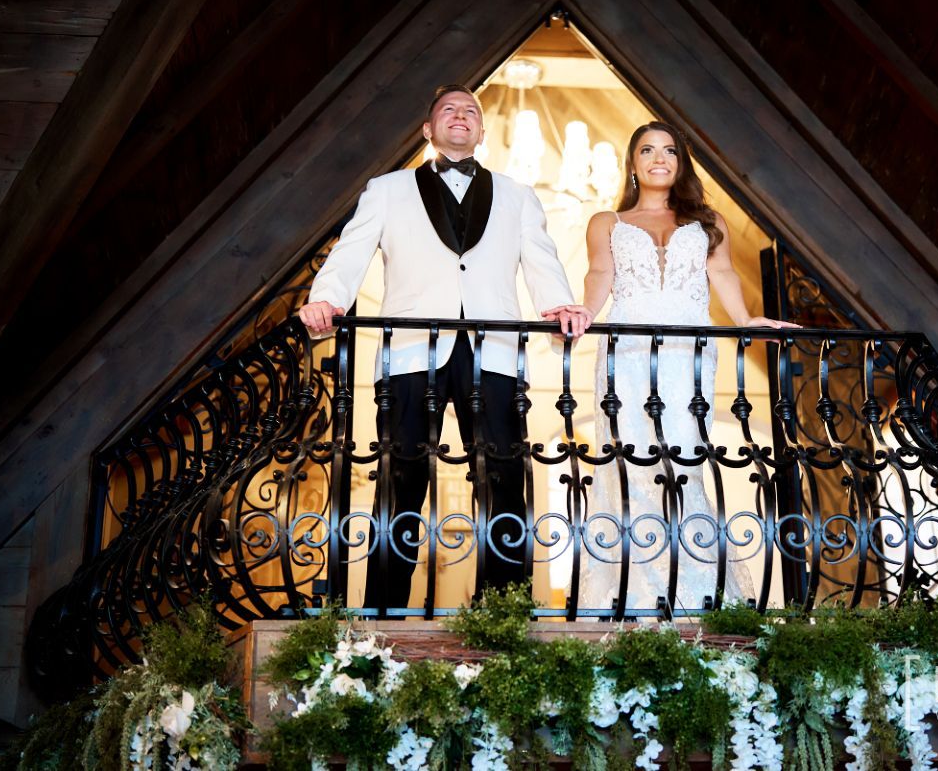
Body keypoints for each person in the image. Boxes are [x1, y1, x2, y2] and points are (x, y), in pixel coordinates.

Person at [298, 84, 591, 610]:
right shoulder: (386, 189)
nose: (463, 116)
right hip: (412, 350)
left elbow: (541, 259)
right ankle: (382, 611)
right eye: (449, 110)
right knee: (400, 480)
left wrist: (560, 305)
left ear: (482, 131)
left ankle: (502, 608)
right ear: (429, 130)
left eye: (472, 111)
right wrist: (326, 300)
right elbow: (351, 252)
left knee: (503, 478)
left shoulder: (518, 194)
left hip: (494, 351)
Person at [577, 121, 797, 615]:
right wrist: (583, 316)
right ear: (632, 163)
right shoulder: (606, 222)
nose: (659, 158)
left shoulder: (707, 221)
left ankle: (696, 590)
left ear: (681, 162)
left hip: (686, 356)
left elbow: (722, 272)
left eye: (670, 150)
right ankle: (631, 594)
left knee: (685, 463)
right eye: (648, 150)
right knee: (631, 467)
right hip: (627, 355)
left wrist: (744, 320)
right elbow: (599, 275)